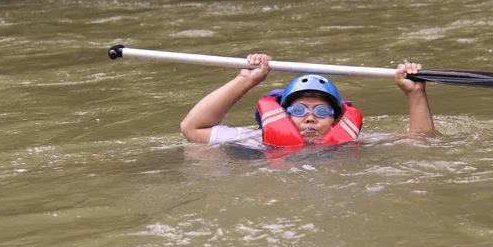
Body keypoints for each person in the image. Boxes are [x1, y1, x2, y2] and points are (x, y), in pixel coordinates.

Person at [180, 53, 435, 148]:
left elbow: (422, 139)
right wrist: (246, 80)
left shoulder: (353, 143)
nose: (310, 117)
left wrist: (415, 93)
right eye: (299, 109)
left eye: (322, 111)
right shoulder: (256, 142)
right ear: (284, 115)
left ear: (336, 119)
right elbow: (192, 129)